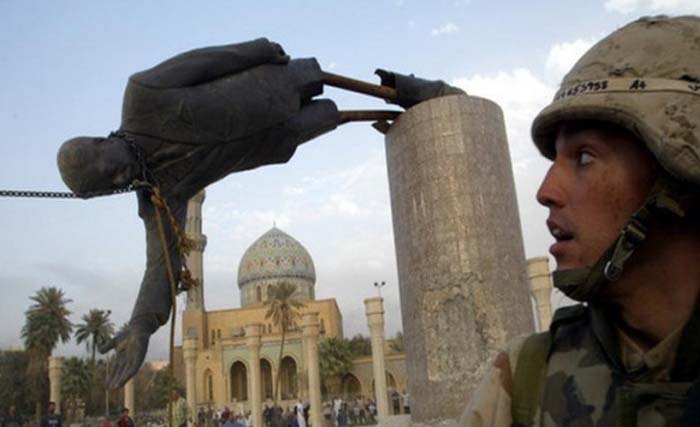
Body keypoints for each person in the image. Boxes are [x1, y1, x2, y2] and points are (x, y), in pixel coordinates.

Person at [57, 37, 462, 389]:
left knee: (325, 80)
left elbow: (205, 61)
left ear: (99, 140)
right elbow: (160, 265)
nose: (119, 175)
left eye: (108, 167)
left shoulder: (142, 95)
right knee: (331, 116)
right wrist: (142, 324)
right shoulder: (159, 193)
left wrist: (257, 49)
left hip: (261, 86)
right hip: (271, 140)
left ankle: (405, 91)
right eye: (111, 184)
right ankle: (388, 116)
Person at [460, 15, 700, 426]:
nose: (545, 191)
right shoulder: (524, 380)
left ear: (677, 177)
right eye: (555, 158)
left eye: (584, 157)